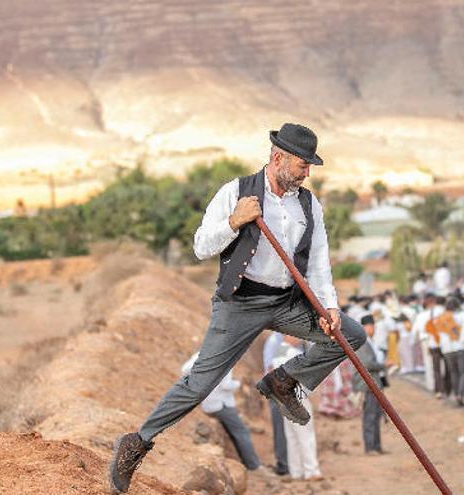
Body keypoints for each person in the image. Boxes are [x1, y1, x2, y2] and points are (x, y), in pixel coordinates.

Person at [108, 123, 367, 494]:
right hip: (241, 302)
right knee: (199, 385)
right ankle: (136, 443)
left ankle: (284, 380)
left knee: (350, 334)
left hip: (288, 300)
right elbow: (201, 246)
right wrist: (234, 221)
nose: (307, 172)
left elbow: (319, 263)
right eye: (303, 164)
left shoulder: (309, 204)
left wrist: (329, 308)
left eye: (310, 165)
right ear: (279, 158)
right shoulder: (236, 192)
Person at [180, 352, 261, 471]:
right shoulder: (224, 356)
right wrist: (239, 384)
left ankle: (245, 460)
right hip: (221, 404)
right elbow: (226, 385)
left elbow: (184, 370)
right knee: (241, 431)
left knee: (235, 430)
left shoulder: (201, 354)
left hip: (207, 403)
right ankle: (253, 465)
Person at [273, 335, 323, 481]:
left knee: (292, 437)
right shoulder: (293, 354)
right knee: (305, 435)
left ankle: (296, 471)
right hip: (297, 398)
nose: (300, 338)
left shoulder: (279, 352)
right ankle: (311, 470)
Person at [354, 314, 388, 455]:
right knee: (370, 416)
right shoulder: (362, 343)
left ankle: (376, 446)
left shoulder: (370, 342)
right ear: (365, 327)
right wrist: (383, 366)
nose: (373, 329)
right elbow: (367, 364)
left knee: (376, 416)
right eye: (371, 326)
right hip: (367, 385)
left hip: (375, 383)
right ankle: (370, 447)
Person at [262, 332, 289, 475]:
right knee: (280, 429)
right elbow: (270, 369)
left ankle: (289, 463)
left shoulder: (288, 340)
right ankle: (283, 465)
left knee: (288, 429)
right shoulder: (274, 341)